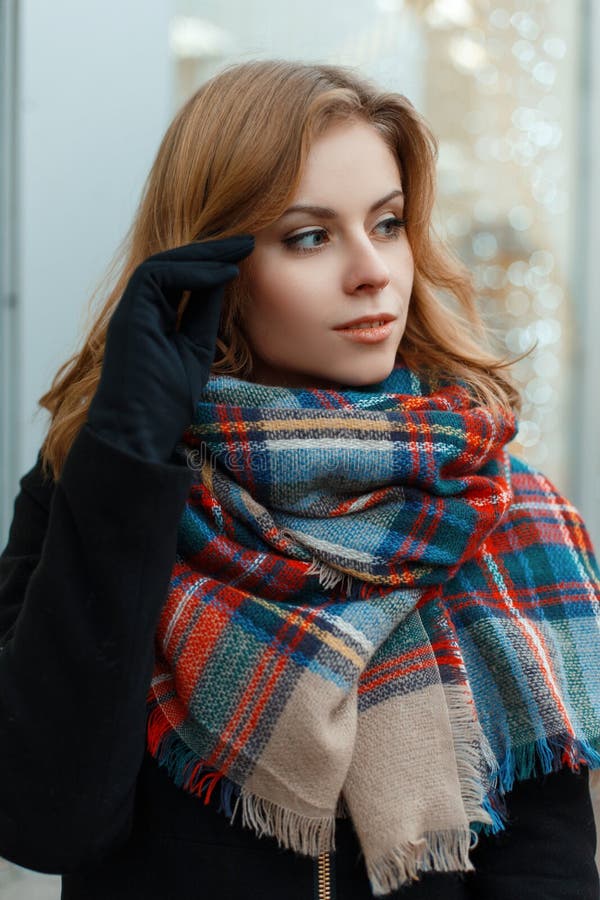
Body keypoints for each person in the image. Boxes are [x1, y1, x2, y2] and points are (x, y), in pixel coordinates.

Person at [0, 58, 599, 900]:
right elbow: (46, 820)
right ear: (216, 264)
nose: (373, 271)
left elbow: (550, 866)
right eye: (309, 236)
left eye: (387, 224)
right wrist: (130, 456)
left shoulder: (506, 509)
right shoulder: (101, 488)